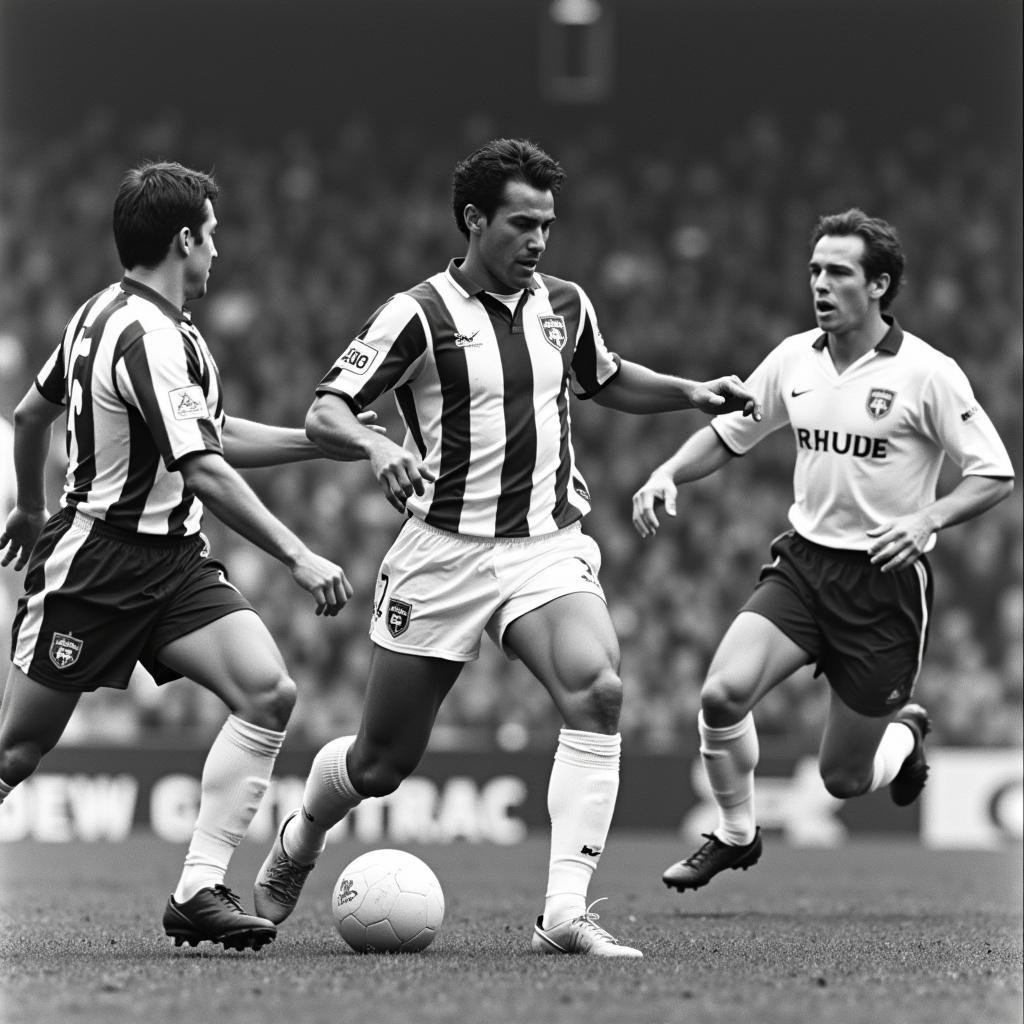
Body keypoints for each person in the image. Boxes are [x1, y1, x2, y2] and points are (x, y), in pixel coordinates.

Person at [252, 137, 760, 958]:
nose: (538, 241)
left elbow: (604, 375)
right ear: (473, 219)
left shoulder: (565, 302)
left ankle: (563, 912)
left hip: (545, 547)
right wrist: (379, 449)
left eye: (548, 226)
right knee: (382, 763)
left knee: (597, 690)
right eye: (522, 224)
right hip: (441, 555)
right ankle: (302, 834)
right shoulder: (415, 313)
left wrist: (690, 394)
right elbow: (326, 410)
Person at [0, 161, 378, 951]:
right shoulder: (144, 334)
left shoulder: (120, 321)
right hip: (96, 565)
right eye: (213, 235)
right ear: (185, 238)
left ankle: (198, 889)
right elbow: (201, 465)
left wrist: (317, 446)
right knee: (18, 750)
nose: (219, 252)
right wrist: (300, 556)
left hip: (172, 564)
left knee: (269, 693)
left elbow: (41, 416)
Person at [631, 208, 1015, 892]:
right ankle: (736, 833)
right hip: (804, 565)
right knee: (721, 696)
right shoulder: (793, 359)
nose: (820, 283)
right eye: (815, 270)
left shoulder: (928, 373)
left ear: (879, 286)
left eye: (839, 272)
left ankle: (905, 736)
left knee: (843, 777)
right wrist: (665, 473)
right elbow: (728, 434)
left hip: (883, 584)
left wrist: (928, 518)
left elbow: (993, 473)